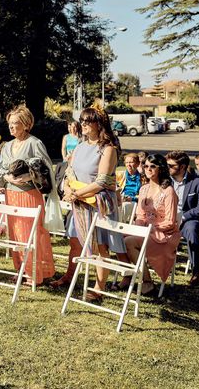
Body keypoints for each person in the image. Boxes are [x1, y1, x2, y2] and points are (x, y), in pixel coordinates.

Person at [52, 106, 127, 301]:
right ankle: (69, 276)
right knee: (75, 241)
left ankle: (98, 288)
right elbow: (69, 171)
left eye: (87, 121)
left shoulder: (108, 148)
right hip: (79, 201)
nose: (82, 124)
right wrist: (67, 188)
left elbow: (102, 181)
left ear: (99, 124)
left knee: (101, 246)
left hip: (98, 203)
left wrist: (77, 193)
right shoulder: (79, 146)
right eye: (82, 121)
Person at [0, 105, 56, 285]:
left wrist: (28, 175)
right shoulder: (7, 146)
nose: (11, 127)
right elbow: (0, 168)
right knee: (15, 234)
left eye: (15, 123)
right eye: (10, 124)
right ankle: (20, 269)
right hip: (10, 194)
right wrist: (7, 177)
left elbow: (45, 168)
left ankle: (35, 272)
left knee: (31, 233)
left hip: (29, 195)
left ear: (26, 124)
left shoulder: (34, 143)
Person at [125, 154, 179, 295]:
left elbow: (170, 221)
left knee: (129, 242)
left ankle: (147, 281)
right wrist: (137, 228)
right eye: (146, 166)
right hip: (145, 231)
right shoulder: (144, 189)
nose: (148, 169)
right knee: (120, 237)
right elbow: (141, 215)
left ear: (160, 169)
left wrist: (151, 229)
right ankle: (128, 275)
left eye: (152, 166)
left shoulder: (168, 192)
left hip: (164, 235)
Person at [166, 150, 199, 286]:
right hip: (168, 216)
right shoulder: (166, 181)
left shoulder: (198, 182)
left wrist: (183, 217)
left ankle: (196, 272)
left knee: (192, 231)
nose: (168, 168)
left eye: (171, 166)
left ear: (182, 167)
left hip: (188, 219)